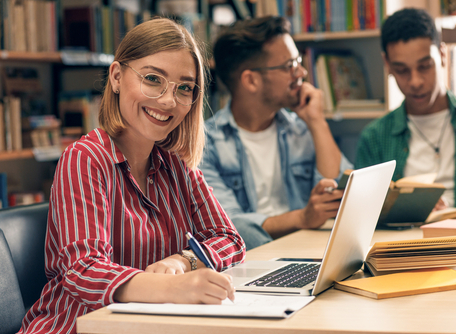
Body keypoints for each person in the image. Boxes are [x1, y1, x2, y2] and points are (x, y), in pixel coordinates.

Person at [18, 18, 245, 334]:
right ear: (116, 77)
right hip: (76, 327)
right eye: (153, 79)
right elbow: (84, 271)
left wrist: (183, 262)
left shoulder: (177, 164)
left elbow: (230, 239)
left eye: (184, 88)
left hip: (147, 325)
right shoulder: (85, 158)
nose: (168, 100)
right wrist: (177, 288)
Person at [200, 16, 353, 250]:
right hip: (249, 259)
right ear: (251, 80)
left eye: (298, 61)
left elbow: (341, 194)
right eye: (289, 66)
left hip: (309, 250)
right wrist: (303, 218)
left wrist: (317, 122)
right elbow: (231, 225)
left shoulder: (300, 128)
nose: (301, 71)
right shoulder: (204, 145)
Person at [355, 7, 456, 210]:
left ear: (441, 54)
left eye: (425, 66)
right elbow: (360, 212)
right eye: (402, 70)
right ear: (387, 64)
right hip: (403, 240)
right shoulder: (375, 138)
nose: (415, 82)